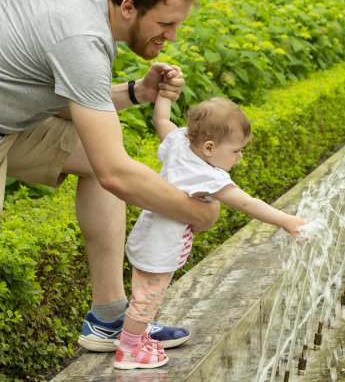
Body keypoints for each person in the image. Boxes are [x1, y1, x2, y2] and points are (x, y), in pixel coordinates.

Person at [0, 0, 220, 380]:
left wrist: (138, 91)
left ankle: (108, 318)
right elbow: (115, 174)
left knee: (92, 150)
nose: (171, 37)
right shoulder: (82, 38)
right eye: (164, 24)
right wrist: (197, 212)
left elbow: (71, 102)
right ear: (127, 6)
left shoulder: (91, 0)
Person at [113, 94, 307, 369]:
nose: (240, 157)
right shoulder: (207, 176)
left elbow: (161, 120)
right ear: (208, 148)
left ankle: (135, 339)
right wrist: (285, 220)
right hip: (160, 246)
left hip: (148, 235)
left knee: (144, 297)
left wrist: (165, 96)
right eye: (236, 150)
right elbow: (246, 203)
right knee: (146, 301)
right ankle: (129, 350)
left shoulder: (181, 145)